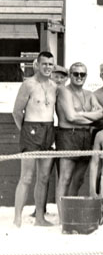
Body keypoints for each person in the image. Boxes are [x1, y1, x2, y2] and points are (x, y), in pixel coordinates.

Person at [13, 51, 57, 227]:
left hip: (48, 129)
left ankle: (40, 217)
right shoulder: (28, 85)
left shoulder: (54, 86)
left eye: (50, 64)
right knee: (27, 177)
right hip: (31, 129)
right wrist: (25, 131)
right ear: (37, 65)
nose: (47, 67)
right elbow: (17, 111)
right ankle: (17, 218)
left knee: (44, 177)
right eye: (44, 64)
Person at [55, 62, 103, 220]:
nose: (79, 77)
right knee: (66, 177)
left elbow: (101, 113)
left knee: (79, 178)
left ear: (86, 76)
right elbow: (70, 117)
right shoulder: (64, 91)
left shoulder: (89, 94)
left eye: (82, 74)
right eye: (75, 74)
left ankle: (72, 212)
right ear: (70, 75)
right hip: (68, 134)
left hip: (85, 136)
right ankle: (63, 217)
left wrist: (80, 114)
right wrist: (90, 116)